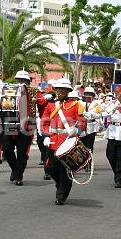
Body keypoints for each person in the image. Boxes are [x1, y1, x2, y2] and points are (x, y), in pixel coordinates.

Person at [44, 77, 82, 205]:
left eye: (63, 89)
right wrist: (45, 136)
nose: (60, 91)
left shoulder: (75, 105)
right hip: (53, 140)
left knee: (65, 170)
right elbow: (44, 121)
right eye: (58, 89)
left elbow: (82, 122)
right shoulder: (51, 105)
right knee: (50, 168)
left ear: (68, 91)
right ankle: (61, 185)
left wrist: (76, 130)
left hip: (68, 141)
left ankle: (62, 195)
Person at [0, 70, 37, 186]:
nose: (20, 82)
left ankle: (19, 175)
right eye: (19, 80)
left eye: (23, 80)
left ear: (27, 81)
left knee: (22, 153)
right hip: (11, 123)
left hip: (27, 124)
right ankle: (15, 169)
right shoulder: (9, 91)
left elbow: (43, 101)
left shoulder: (34, 91)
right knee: (6, 149)